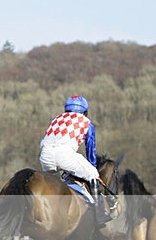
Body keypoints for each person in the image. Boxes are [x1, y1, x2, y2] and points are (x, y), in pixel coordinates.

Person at [39, 95, 109, 224]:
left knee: (57, 184)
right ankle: (100, 214)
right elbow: (90, 150)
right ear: (85, 112)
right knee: (92, 174)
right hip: (64, 154)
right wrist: (92, 168)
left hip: (45, 155)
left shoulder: (56, 119)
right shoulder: (86, 122)